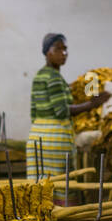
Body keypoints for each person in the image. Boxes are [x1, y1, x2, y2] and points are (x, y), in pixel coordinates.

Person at [26, 33, 106, 179]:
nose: (63, 53)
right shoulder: (54, 77)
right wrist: (92, 104)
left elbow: (34, 112)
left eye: (65, 49)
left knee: (41, 192)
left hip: (38, 138)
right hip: (54, 142)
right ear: (47, 53)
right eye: (58, 49)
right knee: (60, 188)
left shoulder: (41, 75)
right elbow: (62, 111)